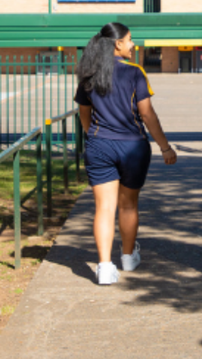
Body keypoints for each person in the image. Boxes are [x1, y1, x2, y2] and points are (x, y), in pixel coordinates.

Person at [75, 22, 177, 285]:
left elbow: (84, 114)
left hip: (100, 145)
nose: (134, 44)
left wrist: (94, 136)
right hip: (133, 146)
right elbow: (147, 114)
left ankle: (105, 267)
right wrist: (164, 147)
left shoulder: (89, 74)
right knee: (128, 204)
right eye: (130, 39)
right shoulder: (135, 73)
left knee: (104, 207)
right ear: (117, 43)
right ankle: (129, 258)